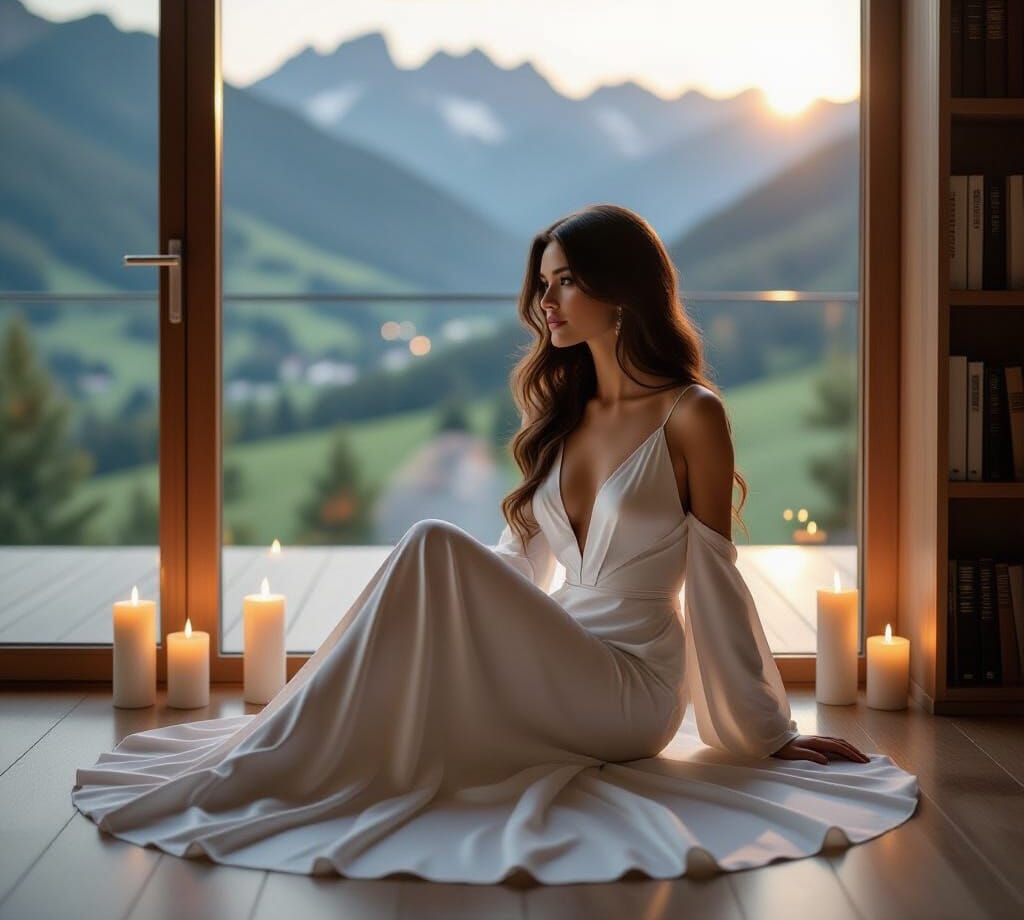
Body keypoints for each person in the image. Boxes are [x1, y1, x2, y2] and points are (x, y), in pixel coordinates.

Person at [71, 204, 918, 884]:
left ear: (621, 291)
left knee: (432, 543)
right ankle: (293, 735)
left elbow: (714, 578)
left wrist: (766, 731)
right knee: (434, 557)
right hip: (561, 657)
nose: (544, 304)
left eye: (565, 284)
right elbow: (519, 565)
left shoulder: (691, 415)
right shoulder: (567, 413)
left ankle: (287, 739)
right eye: (542, 285)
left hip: (632, 687)